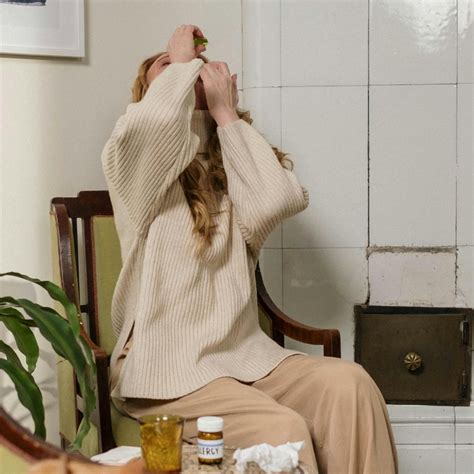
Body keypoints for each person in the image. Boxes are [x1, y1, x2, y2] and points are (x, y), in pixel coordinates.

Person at [101, 24, 398, 474]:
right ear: (150, 93)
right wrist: (180, 61)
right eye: (168, 68)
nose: (189, 71)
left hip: (245, 357)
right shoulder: (133, 172)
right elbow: (152, 129)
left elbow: (279, 200)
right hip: (166, 371)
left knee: (351, 384)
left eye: (196, 68)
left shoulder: (231, 173)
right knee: (281, 428)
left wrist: (226, 116)